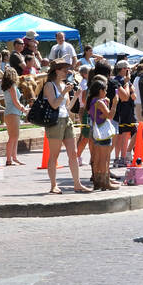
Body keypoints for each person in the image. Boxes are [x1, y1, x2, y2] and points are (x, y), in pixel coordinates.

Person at [41, 60, 91, 194]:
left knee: (73, 154)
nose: (67, 72)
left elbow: (67, 108)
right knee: (54, 155)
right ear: (57, 71)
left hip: (66, 120)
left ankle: (77, 183)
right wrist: (63, 93)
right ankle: (53, 185)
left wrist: (75, 96)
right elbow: (54, 105)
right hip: (55, 122)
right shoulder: (49, 85)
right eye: (64, 70)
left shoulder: (63, 84)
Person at [87, 77, 120, 190]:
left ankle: (97, 182)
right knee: (104, 159)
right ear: (100, 90)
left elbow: (101, 115)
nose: (106, 93)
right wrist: (115, 103)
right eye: (105, 90)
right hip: (103, 133)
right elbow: (110, 116)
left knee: (96, 158)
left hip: (95, 131)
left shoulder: (92, 101)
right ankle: (105, 182)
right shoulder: (100, 102)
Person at [111, 60, 136, 168]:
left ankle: (119, 158)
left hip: (123, 111)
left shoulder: (122, 80)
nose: (129, 71)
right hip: (124, 110)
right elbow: (128, 96)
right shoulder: (121, 80)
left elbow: (133, 93)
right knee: (123, 135)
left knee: (120, 135)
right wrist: (127, 83)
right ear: (122, 69)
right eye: (127, 69)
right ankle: (122, 158)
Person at [0, 66, 25, 166]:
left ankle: (13, 157)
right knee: (13, 137)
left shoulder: (7, 86)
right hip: (13, 113)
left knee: (14, 136)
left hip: (11, 112)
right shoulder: (12, 86)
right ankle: (9, 159)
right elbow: (16, 101)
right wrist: (23, 109)